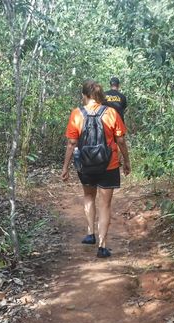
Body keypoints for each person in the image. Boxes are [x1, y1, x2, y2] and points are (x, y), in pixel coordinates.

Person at [61, 80, 131, 258]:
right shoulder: (111, 113)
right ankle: (102, 245)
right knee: (105, 204)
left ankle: (90, 233)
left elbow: (71, 143)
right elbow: (121, 140)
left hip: (85, 164)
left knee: (89, 196)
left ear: (84, 95)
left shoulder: (77, 114)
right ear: (100, 95)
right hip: (109, 164)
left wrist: (65, 167)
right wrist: (127, 161)